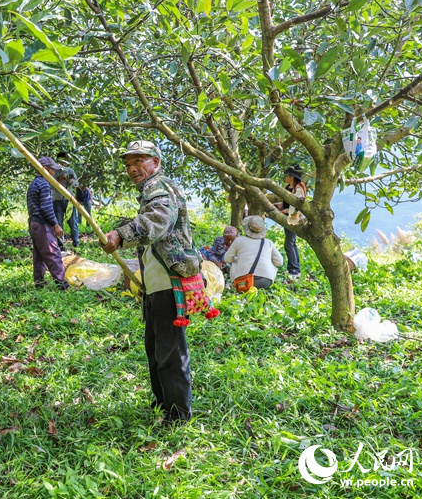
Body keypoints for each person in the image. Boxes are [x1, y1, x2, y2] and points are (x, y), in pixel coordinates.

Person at [101, 140, 200, 424]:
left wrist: (121, 235)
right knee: (156, 348)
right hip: (156, 283)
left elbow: (157, 220)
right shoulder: (151, 189)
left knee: (169, 351)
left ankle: (178, 416)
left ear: (155, 163)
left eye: (139, 162)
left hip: (168, 282)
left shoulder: (158, 187)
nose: (133, 169)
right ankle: (163, 405)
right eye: (129, 165)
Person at [27, 157, 70, 290]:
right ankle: (62, 285)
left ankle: (39, 282)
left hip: (34, 223)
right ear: (45, 169)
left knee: (39, 255)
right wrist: (55, 224)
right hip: (42, 224)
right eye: (52, 170)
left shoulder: (34, 183)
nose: (53, 173)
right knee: (53, 253)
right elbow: (46, 207)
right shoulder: (44, 184)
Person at [224, 216, 283, 289]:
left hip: (244, 281)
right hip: (265, 281)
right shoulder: (268, 243)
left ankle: (239, 286)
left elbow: (227, 259)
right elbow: (279, 262)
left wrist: (238, 260)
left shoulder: (239, 240)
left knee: (234, 262)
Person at [280, 165, 307, 280]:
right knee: (292, 243)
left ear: (291, 177)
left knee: (289, 244)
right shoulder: (289, 187)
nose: (286, 177)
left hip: (294, 219)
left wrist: (287, 211)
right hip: (288, 218)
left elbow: (298, 206)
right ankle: (295, 268)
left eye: (288, 175)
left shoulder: (298, 188)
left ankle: (294, 270)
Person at [51, 152, 79, 249]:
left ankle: (76, 244)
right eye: (61, 161)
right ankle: (61, 245)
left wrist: (68, 180)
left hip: (69, 200)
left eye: (64, 161)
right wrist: (59, 179)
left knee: (73, 223)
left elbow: (76, 184)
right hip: (57, 200)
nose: (63, 164)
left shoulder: (70, 171)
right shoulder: (53, 171)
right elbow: (51, 186)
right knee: (59, 223)